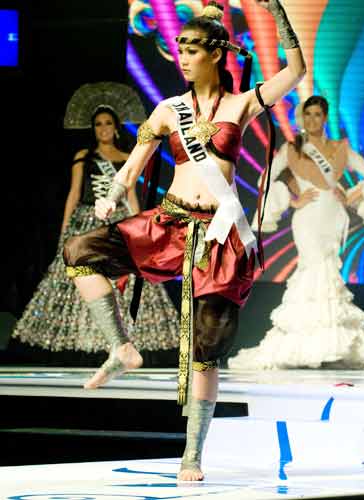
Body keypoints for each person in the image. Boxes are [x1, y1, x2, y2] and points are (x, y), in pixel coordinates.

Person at [63, 0, 306, 481]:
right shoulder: (169, 109)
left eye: (192, 49)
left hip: (218, 232)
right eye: (181, 50)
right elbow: (136, 160)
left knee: (206, 348)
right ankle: (121, 347)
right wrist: (114, 193)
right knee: (81, 252)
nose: (183, 58)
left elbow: (296, 71)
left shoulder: (241, 104)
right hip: (170, 223)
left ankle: (192, 454)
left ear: (215, 54)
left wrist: (276, 10)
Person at [229, 95, 364, 371]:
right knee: (312, 271)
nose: (312, 119)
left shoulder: (340, 148)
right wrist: (292, 200)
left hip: (333, 217)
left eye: (318, 114)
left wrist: (352, 195)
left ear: (325, 118)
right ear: (302, 118)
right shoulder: (294, 148)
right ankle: (304, 347)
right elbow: (263, 179)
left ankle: (330, 347)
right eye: (308, 114)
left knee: (328, 274)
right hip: (307, 219)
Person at [13, 103, 180, 354]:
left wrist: (139, 229)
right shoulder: (83, 157)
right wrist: (64, 229)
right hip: (86, 218)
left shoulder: (127, 160)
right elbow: (74, 193)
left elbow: (131, 195)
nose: (103, 128)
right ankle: (84, 343)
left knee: (123, 281)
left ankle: (122, 342)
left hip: (118, 218)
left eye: (108, 123)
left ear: (116, 128)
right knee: (81, 277)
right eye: (98, 124)